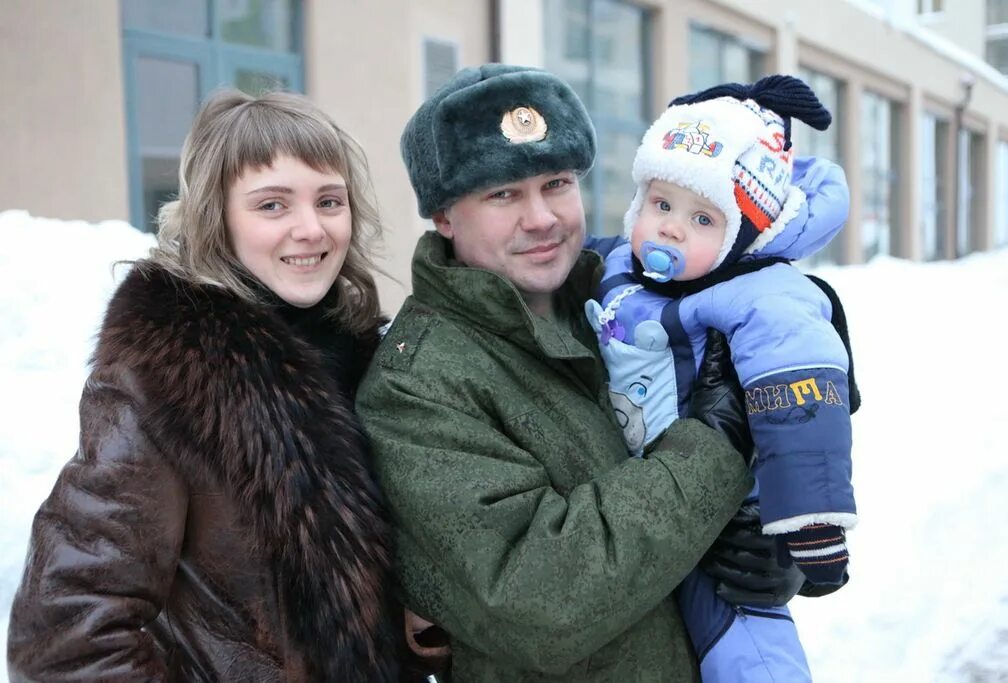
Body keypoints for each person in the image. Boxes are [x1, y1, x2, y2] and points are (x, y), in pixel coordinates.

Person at [355, 64, 830, 682]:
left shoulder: (632, 298)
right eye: (502, 194)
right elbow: (538, 599)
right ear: (444, 216)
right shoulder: (417, 385)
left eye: (555, 183)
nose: (542, 218)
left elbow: (792, 393)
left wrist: (778, 542)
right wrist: (716, 447)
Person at [7, 89, 403, 681]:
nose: (311, 228)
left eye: (329, 200)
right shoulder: (163, 380)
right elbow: (63, 638)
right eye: (272, 205)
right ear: (216, 216)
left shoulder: (364, 358)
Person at [587, 75, 858, 681]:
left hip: (734, 517)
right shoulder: (613, 264)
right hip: (644, 501)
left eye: (703, 218)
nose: (671, 229)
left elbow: (802, 405)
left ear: (744, 236)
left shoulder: (765, 296)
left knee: (744, 647)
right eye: (660, 204)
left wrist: (809, 528)